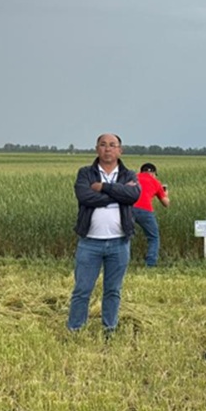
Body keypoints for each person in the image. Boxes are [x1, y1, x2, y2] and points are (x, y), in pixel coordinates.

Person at [67, 134, 141, 333]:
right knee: (82, 289)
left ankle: (110, 328)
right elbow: (85, 196)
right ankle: (75, 329)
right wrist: (118, 195)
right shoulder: (86, 173)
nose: (107, 149)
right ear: (96, 149)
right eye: (103, 145)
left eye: (112, 145)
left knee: (113, 290)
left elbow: (134, 195)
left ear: (120, 150)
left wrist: (104, 188)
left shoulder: (129, 174)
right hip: (90, 242)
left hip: (119, 242)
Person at [132, 163, 169, 266]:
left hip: (127, 209)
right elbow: (166, 203)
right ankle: (150, 264)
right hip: (145, 210)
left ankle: (122, 261)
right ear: (153, 173)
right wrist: (165, 194)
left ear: (141, 171)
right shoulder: (156, 182)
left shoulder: (132, 178)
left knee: (125, 236)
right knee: (153, 237)